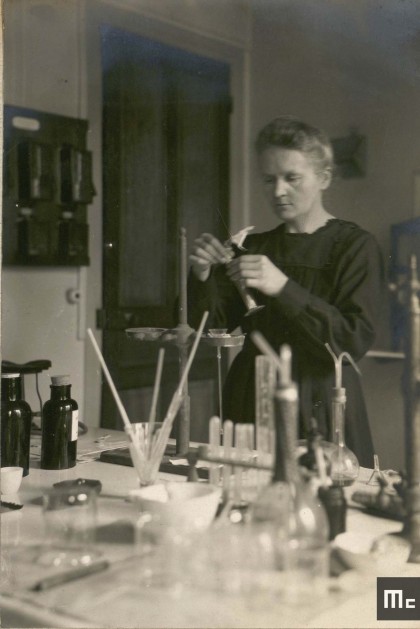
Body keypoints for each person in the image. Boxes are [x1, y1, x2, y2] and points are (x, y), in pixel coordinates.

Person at [187, 116, 384, 467]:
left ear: (323, 178)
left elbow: (352, 341)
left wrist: (282, 287)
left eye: (292, 178)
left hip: (320, 400)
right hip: (251, 397)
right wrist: (203, 276)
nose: (278, 191)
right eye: (269, 179)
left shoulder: (355, 247)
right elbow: (212, 327)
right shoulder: (254, 246)